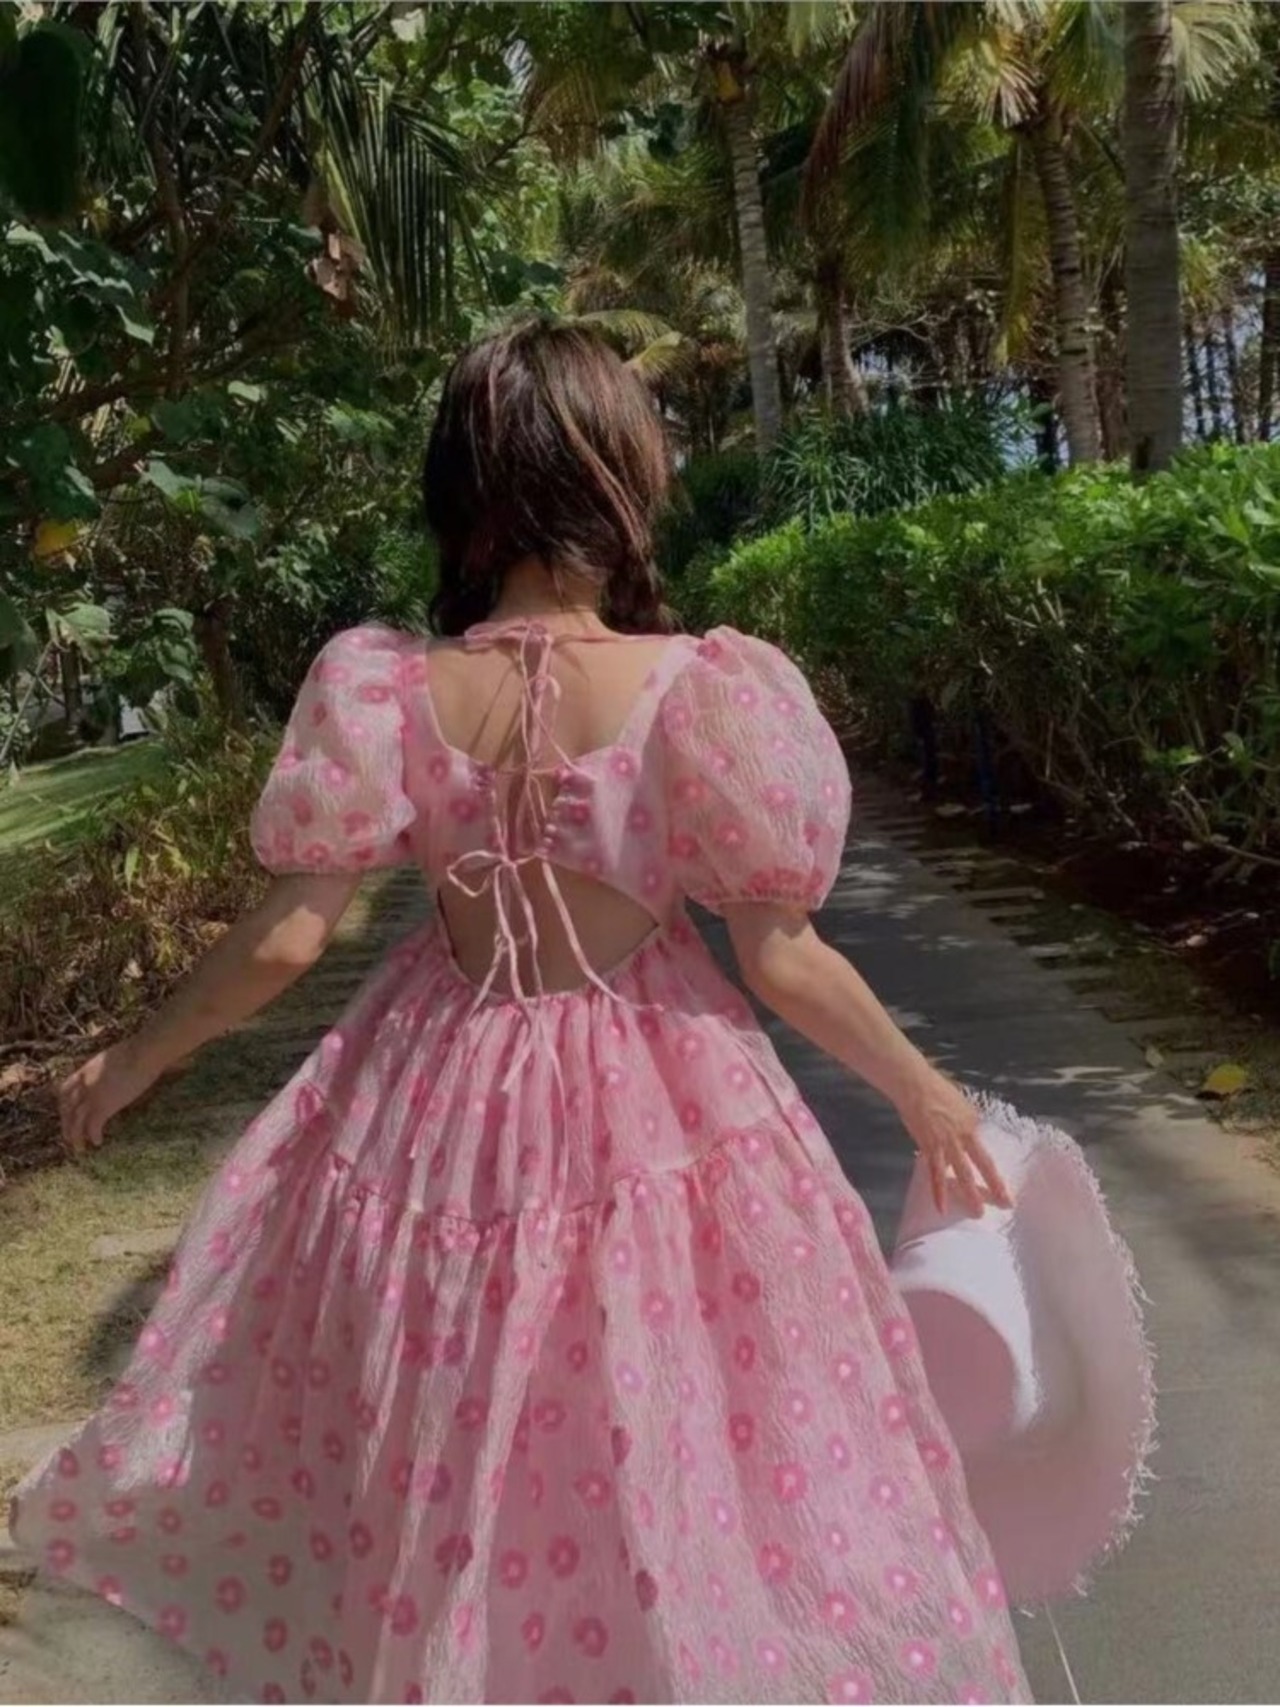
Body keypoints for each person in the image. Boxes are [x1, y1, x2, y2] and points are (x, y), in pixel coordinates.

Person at [12, 322, 1029, 1705]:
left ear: (465, 485)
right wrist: (921, 1087)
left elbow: (289, 937)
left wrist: (134, 1062)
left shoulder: (387, 684)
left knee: (452, 1432)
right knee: (670, 1435)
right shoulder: (701, 688)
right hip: (662, 1094)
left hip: (429, 1094)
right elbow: (780, 957)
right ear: (621, 473)